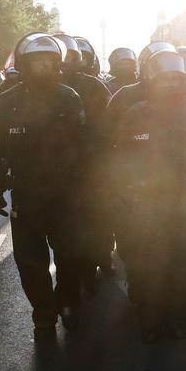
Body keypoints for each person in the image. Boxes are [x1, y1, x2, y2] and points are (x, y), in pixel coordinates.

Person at [109, 49, 186, 342]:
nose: (171, 84)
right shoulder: (135, 114)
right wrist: (123, 197)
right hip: (144, 206)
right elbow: (118, 159)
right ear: (152, 81)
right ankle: (150, 316)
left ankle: (180, 318)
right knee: (147, 264)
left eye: (177, 78)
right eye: (164, 79)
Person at [0, 33, 89, 340]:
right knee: (29, 261)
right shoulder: (7, 101)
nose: (42, 67)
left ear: (57, 63)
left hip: (67, 195)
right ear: (25, 65)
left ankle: (68, 300)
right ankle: (43, 313)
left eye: (48, 61)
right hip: (26, 196)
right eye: (36, 62)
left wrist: (90, 189)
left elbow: (85, 147)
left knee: (71, 256)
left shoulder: (69, 98)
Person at [52, 33, 114, 282]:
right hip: (54, 173)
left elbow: (109, 126)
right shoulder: (35, 90)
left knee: (97, 218)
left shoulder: (94, 86)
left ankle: (98, 258)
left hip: (91, 167)